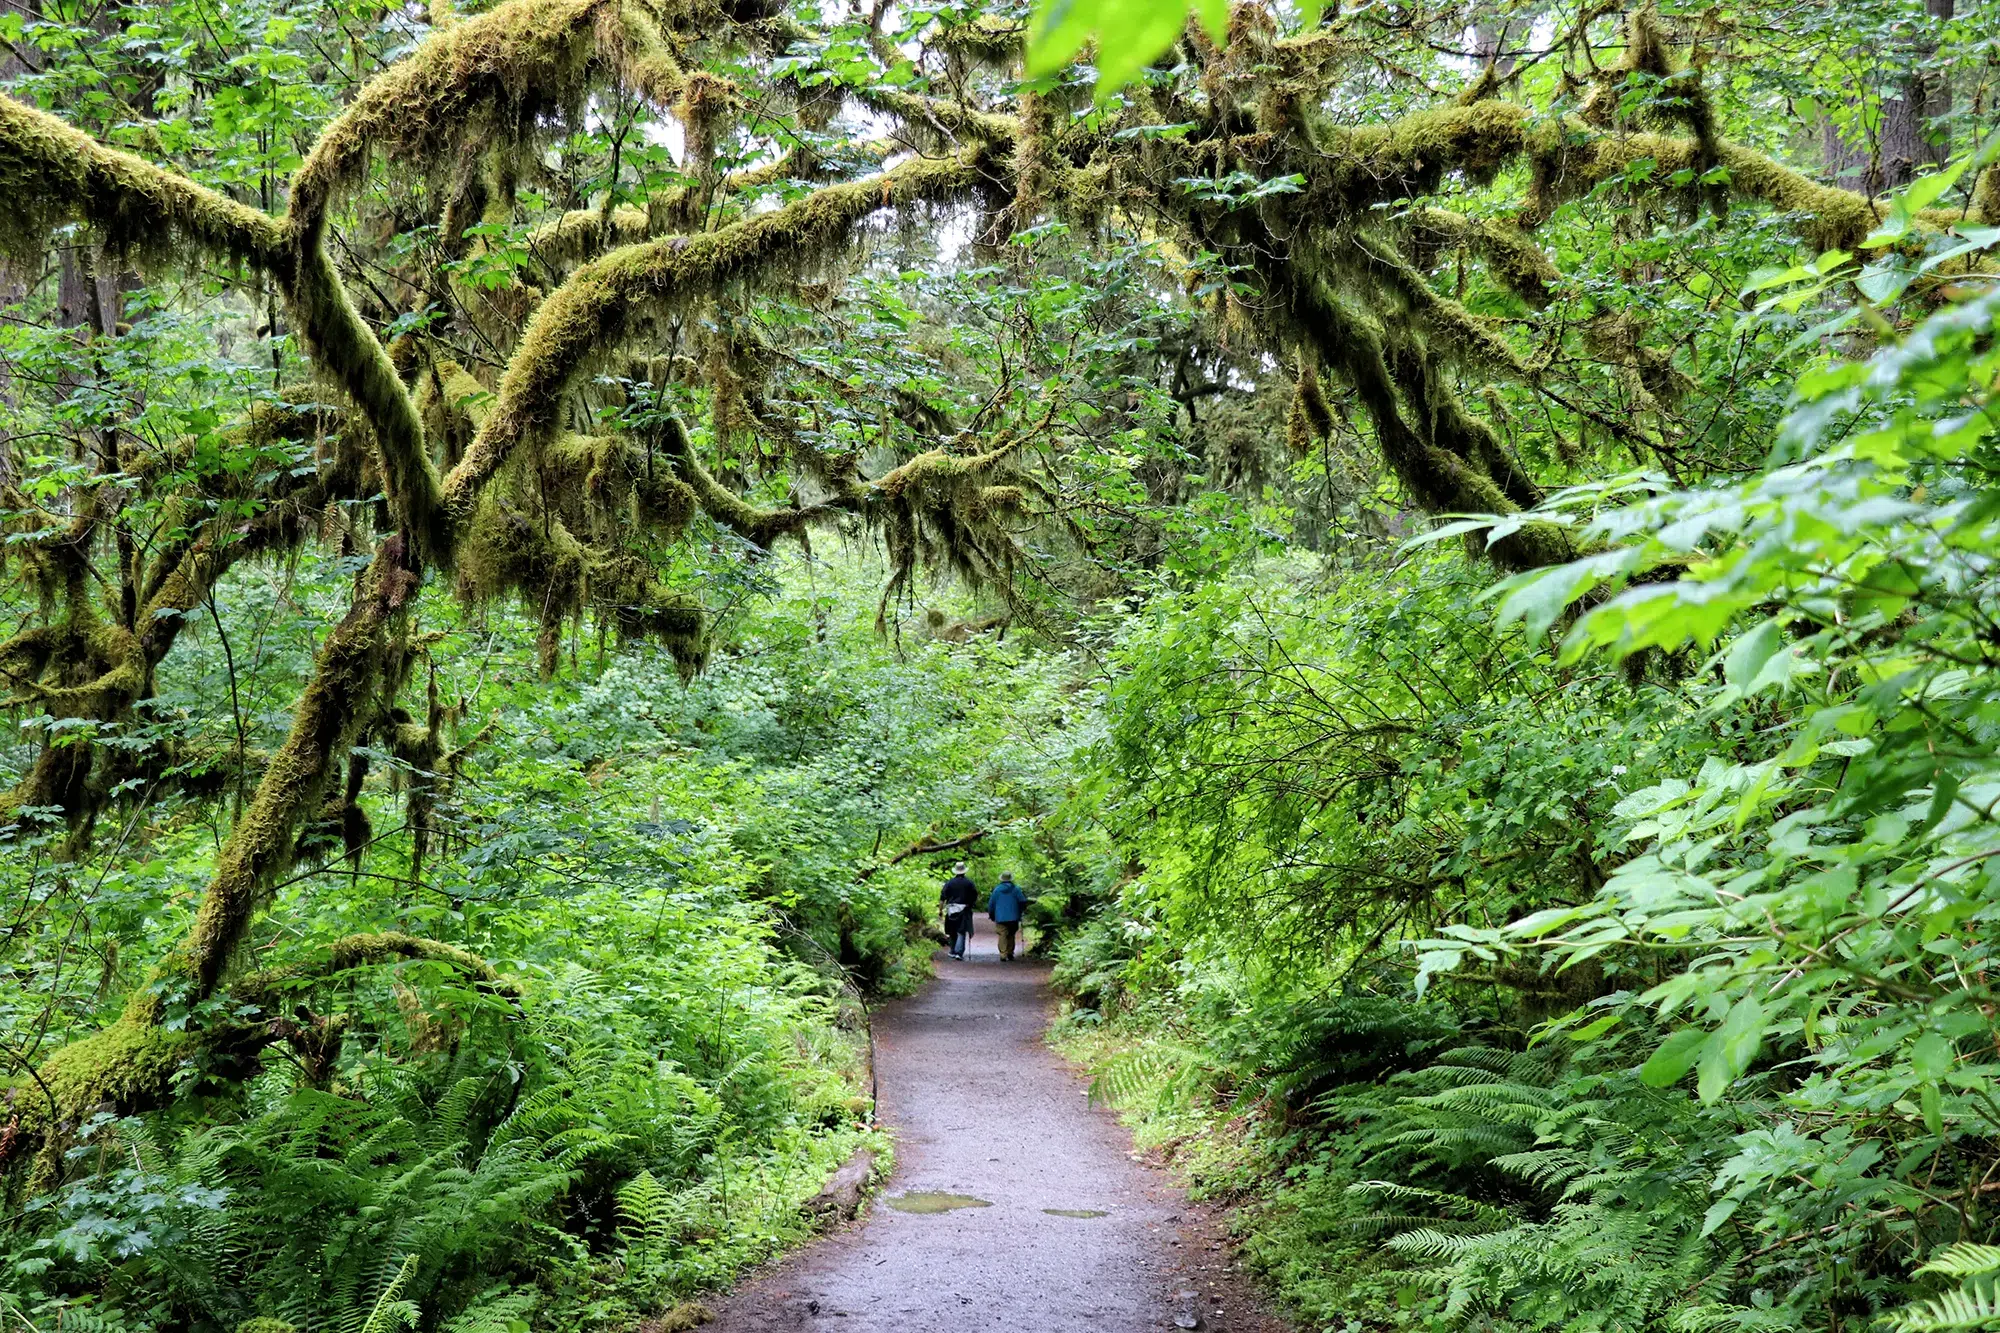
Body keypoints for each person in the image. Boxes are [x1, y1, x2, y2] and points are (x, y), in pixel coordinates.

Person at [939, 862, 978, 961]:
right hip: (964, 909)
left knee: (952, 930)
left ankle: (952, 950)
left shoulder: (949, 883)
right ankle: (959, 952)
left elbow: (942, 897)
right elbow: (974, 896)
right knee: (961, 931)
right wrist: (971, 904)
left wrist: (940, 910)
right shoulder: (969, 883)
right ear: (964, 871)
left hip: (951, 909)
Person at [987, 872, 1027, 962]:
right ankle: (1010, 952)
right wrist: (1021, 911)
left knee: (1002, 934)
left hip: (1000, 917)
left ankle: (1003, 954)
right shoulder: (1016, 889)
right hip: (1014, 916)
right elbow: (1023, 901)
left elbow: (991, 904)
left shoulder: (997, 890)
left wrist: (991, 915)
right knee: (1011, 934)